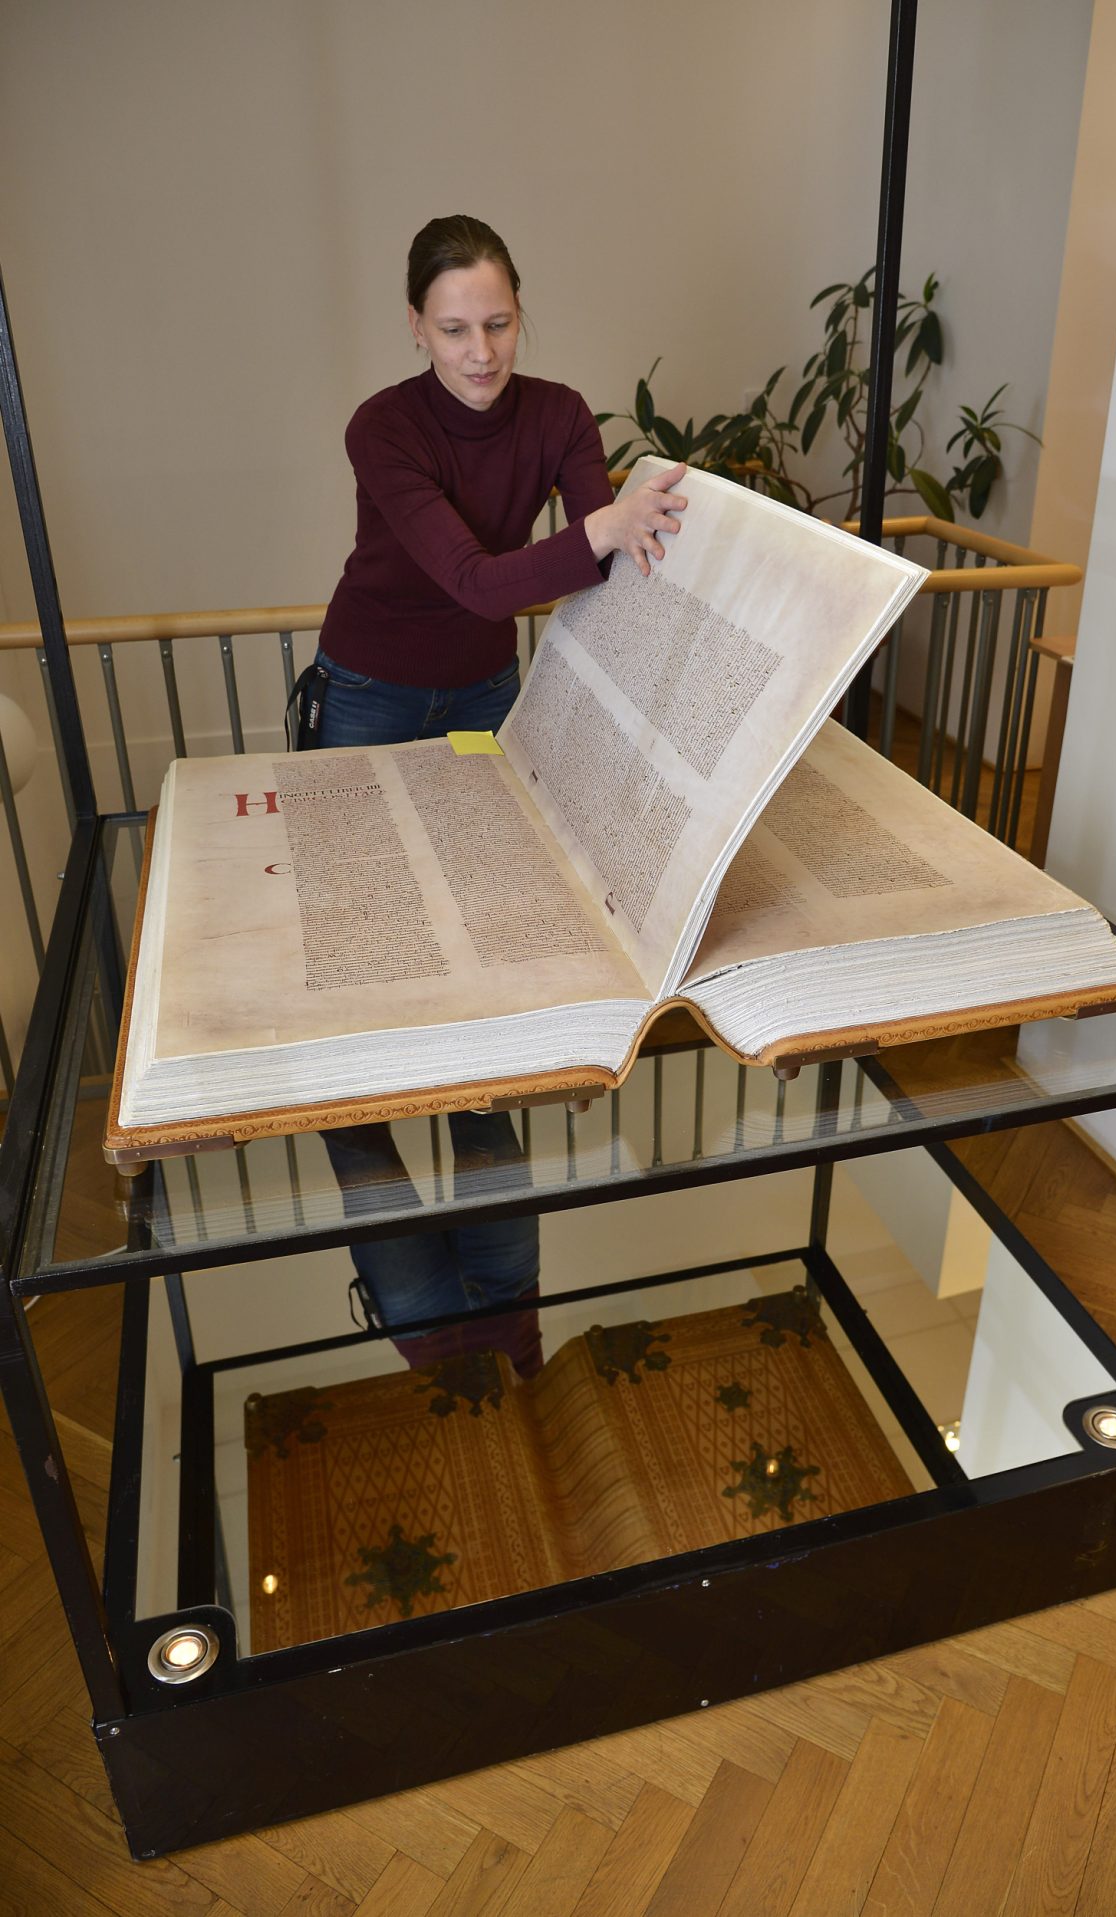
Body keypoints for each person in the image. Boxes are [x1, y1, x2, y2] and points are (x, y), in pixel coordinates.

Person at [312, 213, 687, 1375]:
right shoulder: (382, 427)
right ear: (414, 327)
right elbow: (480, 581)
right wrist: (605, 528)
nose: (480, 352)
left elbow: (608, 565)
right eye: (454, 329)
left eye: (499, 323)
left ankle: (501, 1320)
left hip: (483, 694)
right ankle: (417, 1297)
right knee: (364, 951)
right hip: (369, 691)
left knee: (480, 942)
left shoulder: (559, 412)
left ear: (522, 313)